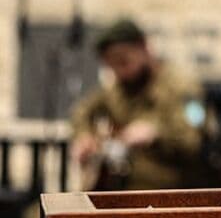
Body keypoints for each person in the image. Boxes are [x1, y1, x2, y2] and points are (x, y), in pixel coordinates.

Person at [69, 18, 208, 190]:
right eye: (112, 66)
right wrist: (83, 136)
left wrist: (155, 134)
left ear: (144, 48)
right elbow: (83, 110)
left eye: (124, 61)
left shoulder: (182, 88)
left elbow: (193, 138)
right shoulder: (119, 89)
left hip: (172, 190)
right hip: (124, 188)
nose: (120, 72)